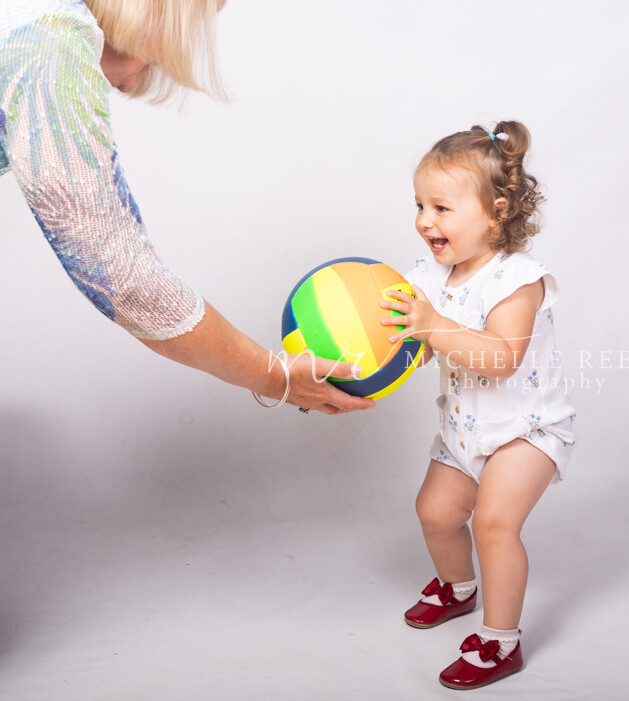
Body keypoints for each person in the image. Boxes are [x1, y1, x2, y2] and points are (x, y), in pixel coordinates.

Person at [0, 0, 374, 415]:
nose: (129, 85)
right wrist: (275, 376)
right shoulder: (50, 37)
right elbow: (124, 281)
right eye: (172, 40)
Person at [380, 121, 576, 689]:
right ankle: (458, 589)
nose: (424, 220)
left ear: (495, 213)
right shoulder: (428, 277)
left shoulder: (518, 280)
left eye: (441, 207)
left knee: (493, 524)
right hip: (465, 428)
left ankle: (500, 642)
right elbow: (414, 350)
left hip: (527, 431)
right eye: (419, 205)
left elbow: (501, 358)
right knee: (436, 513)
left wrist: (434, 325)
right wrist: (354, 372)